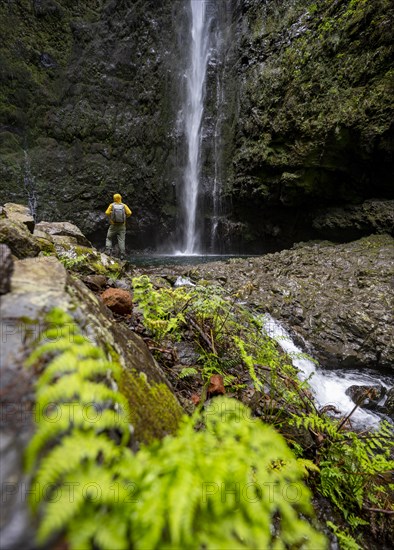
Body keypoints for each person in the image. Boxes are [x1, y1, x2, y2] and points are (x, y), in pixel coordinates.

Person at [105, 193, 132, 259]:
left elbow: (107, 213)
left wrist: (112, 214)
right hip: (122, 225)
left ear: (114, 198)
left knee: (109, 237)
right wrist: (125, 217)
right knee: (121, 240)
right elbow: (129, 213)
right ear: (120, 198)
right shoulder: (124, 205)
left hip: (113, 225)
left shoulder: (112, 205)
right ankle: (122, 254)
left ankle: (108, 250)